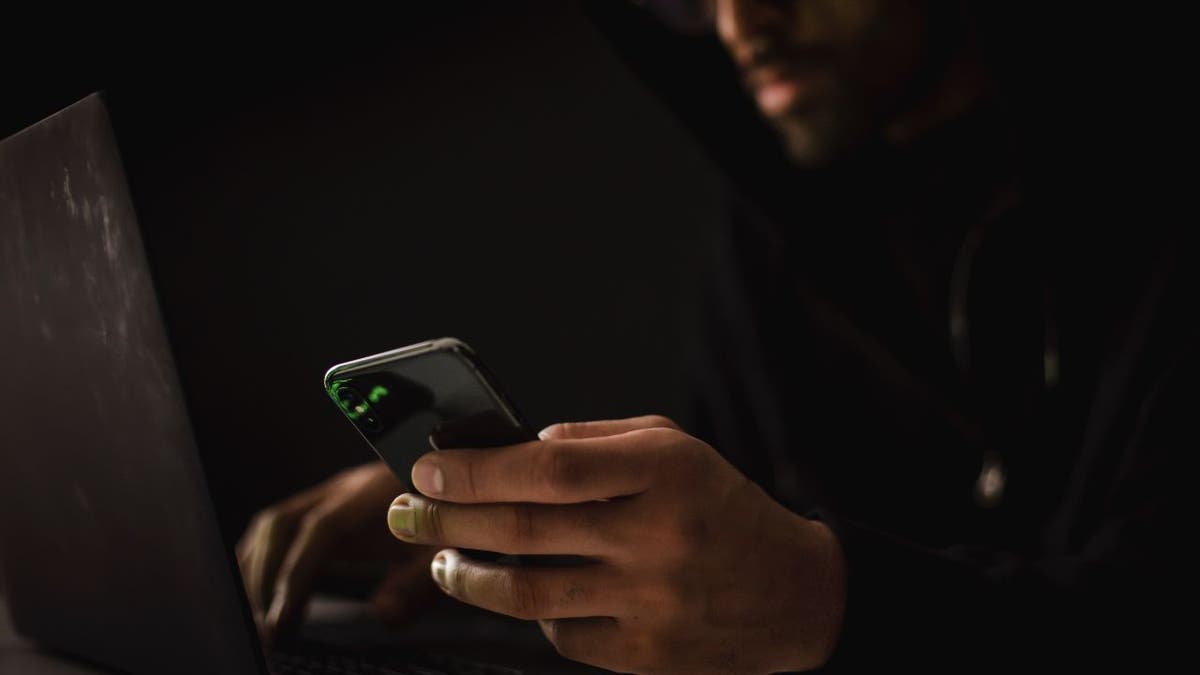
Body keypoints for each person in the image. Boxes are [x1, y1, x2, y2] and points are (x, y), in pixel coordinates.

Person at [238, 1, 1190, 672]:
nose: (741, 23)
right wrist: (532, 539)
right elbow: (740, 521)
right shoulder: (780, 224)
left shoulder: (1155, 190)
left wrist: (833, 604)